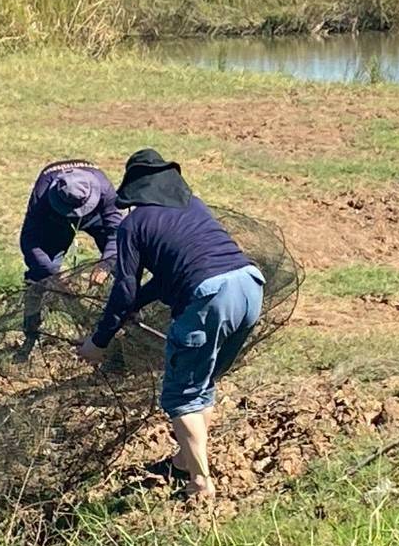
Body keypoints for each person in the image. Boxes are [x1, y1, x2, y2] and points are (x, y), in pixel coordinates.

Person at [75, 150, 264, 500]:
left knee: (181, 396)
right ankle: (183, 462)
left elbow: (124, 288)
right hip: (250, 285)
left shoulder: (134, 225)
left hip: (209, 296)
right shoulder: (193, 206)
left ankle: (201, 484)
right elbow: (167, 277)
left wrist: (99, 341)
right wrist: (136, 306)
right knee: (201, 383)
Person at [19, 160, 123, 339]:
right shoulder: (43, 195)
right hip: (57, 220)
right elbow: (30, 240)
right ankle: (32, 329)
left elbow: (117, 233)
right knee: (41, 273)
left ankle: (125, 319)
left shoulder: (105, 189)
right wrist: (52, 275)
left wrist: (106, 264)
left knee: (123, 263)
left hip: (95, 216)